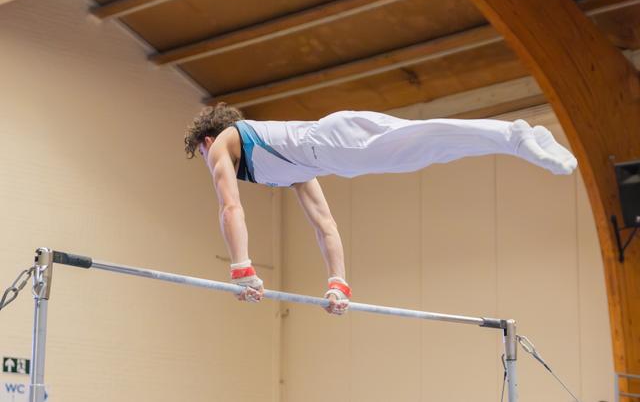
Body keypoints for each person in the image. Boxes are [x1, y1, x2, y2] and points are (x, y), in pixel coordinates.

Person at [184, 103, 577, 315]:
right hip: (336, 143)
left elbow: (230, 207)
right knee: (422, 148)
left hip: (335, 142)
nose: (207, 160)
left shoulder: (224, 143)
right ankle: (513, 137)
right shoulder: (279, 167)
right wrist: (338, 282)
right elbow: (325, 225)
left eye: (200, 152)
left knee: (422, 146)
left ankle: (514, 136)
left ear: (207, 139)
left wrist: (242, 269)